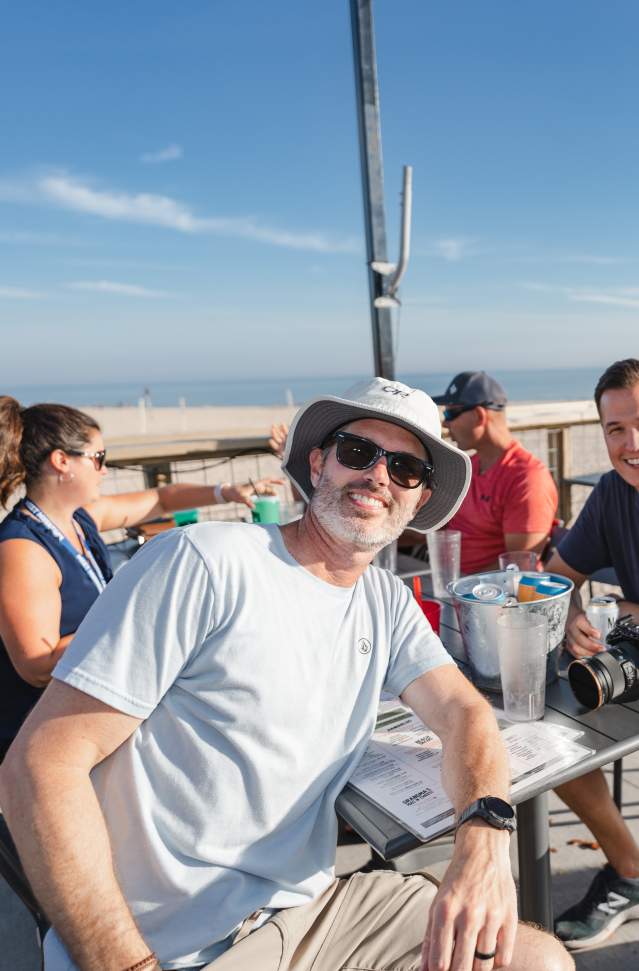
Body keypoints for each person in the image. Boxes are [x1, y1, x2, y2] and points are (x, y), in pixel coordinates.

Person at [0, 378, 573, 971]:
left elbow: (462, 711)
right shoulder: (206, 563)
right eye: (358, 453)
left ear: (419, 498)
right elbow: (39, 765)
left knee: (538, 960)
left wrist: (483, 834)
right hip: (165, 945)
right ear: (319, 462)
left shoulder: (385, 597)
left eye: (405, 468)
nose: (379, 476)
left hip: (310, 916)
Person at [0, 396, 281, 759]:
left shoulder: (78, 519)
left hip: (84, 716)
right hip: (41, 739)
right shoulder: (23, 548)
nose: (105, 469)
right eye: (98, 458)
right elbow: (36, 665)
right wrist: (135, 617)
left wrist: (226, 492)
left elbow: (161, 499)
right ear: (61, 462)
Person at [544, 358, 639, 950]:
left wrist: (624, 610)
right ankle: (629, 870)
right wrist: (573, 611)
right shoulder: (610, 493)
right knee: (549, 732)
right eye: (616, 429)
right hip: (628, 661)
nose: (632, 444)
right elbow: (554, 577)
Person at [405, 371, 558, 574]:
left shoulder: (527, 479)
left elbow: (519, 566)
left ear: (478, 416)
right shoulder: (468, 466)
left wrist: (460, 587)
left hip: (489, 597)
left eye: (450, 414)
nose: (445, 424)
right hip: (450, 581)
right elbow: (439, 532)